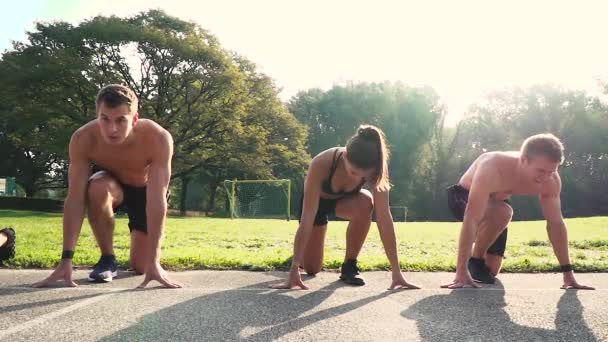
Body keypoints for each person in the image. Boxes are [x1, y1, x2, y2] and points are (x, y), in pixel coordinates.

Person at [34, 84, 181, 288]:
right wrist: (66, 259)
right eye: (105, 119)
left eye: (121, 120)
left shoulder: (158, 138)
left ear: (135, 119)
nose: (112, 129)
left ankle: (150, 260)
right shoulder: (83, 138)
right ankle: (107, 259)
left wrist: (154, 262)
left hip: (145, 191)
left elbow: (156, 199)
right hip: (112, 185)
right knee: (96, 186)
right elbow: (75, 199)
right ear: (97, 116)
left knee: (141, 266)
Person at [272, 125, 420, 290]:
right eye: (353, 171)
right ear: (344, 156)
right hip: (317, 206)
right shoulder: (321, 163)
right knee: (312, 268)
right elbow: (307, 216)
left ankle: (349, 265)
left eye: (362, 176)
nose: (355, 177)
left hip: (346, 202)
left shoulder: (377, 170)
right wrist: (294, 269)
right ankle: (298, 257)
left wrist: (396, 272)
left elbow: (384, 219)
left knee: (366, 200)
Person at [442, 133, 594, 290]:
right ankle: (475, 259)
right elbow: (472, 217)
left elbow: (555, 224)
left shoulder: (551, 180)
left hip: (498, 203)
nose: (545, 177)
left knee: (491, 270)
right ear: (523, 160)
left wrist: (568, 274)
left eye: (552, 171)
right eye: (540, 171)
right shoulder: (492, 167)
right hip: (463, 196)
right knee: (504, 212)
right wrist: (461, 273)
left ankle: (476, 260)